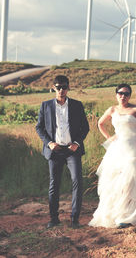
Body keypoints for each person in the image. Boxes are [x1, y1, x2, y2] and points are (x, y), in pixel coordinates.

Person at [89, 83, 136, 228]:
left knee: (130, 181)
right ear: (116, 94)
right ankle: (117, 213)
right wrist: (109, 137)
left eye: (126, 94)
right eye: (120, 93)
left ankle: (127, 215)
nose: (123, 96)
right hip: (117, 149)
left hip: (132, 149)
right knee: (115, 182)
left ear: (130, 96)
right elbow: (100, 123)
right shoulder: (112, 109)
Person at [36, 75, 89, 229]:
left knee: (78, 181)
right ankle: (53, 219)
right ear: (53, 88)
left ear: (68, 88)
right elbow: (39, 127)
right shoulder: (46, 105)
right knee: (54, 184)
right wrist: (49, 143)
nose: (61, 90)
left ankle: (75, 219)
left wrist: (77, 143)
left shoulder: (77, 105)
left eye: (64, 87)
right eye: (58, 87)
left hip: (72, 150)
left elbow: (85, 127)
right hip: (55, 150)